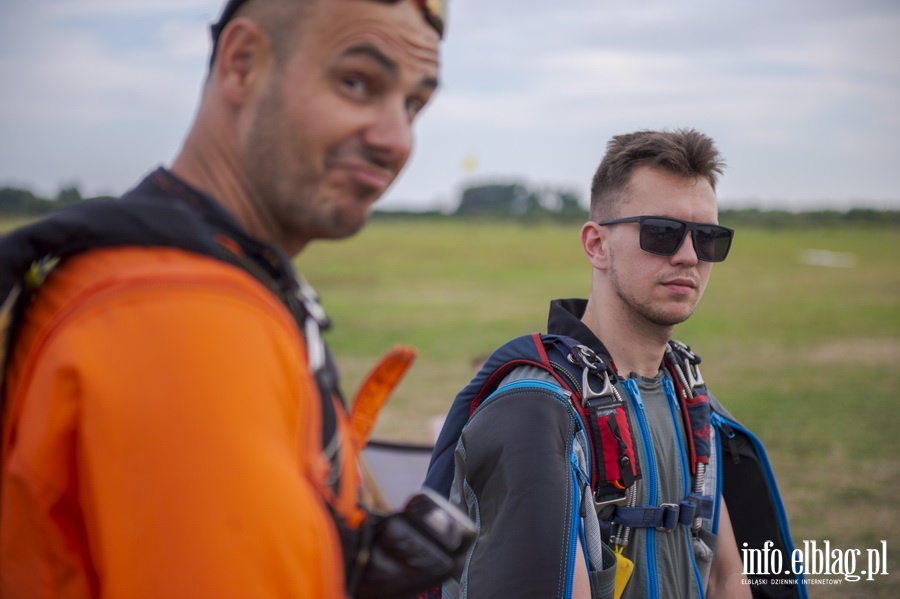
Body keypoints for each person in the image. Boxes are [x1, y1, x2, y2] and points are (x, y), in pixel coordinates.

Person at [0, 0, 450, 597]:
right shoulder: (182, 318)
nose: (396, 139)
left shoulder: (188, 270)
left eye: (414, 104)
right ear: (241, 63)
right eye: (356, 83)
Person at [425, 129, 801, 598]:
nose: (688, 256)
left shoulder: (685, 393)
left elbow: (729, 576)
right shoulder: (537, 411)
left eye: (708, 238)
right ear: (596, 245)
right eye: (661, 233)